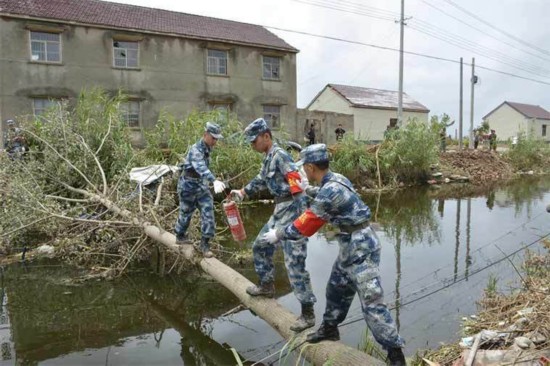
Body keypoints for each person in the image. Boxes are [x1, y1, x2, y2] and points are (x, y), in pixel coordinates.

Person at [261, 143, 406, 366]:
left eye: (303, 169)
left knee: (371, 302)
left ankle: (395, 354)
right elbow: (322, 195)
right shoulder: (336, 179)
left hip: (361, 248)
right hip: (351, 244)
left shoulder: (330, 190)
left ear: (310, 167)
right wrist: (307, 188)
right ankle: (330, 329)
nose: (301, 172)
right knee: (336, 288)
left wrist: (278, 234)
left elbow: (305, 225)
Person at [230, 118, 317, 332]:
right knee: (260, 245)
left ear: (266, 136)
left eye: (254, 140)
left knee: (294, 262)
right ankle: (267, 286)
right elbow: (261, 179)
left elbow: (296, 184)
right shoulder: (268, 158)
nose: (252, 145)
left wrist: (302, 221)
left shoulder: (281, 156)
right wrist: (242, 192)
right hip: (280, 210)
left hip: (292, 210)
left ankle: (308, 313)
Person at [174, 122, 226, 258]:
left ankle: (205, 244)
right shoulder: (195, 150)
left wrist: (214, 180)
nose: (215, 141)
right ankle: (180, 235)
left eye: (216, 139)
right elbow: (200, 167)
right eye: (213, 138)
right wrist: (214, 180)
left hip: (201, 187)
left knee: (208, 212)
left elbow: (203, 170)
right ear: (205, 135)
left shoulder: (207, 148)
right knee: (185, 213)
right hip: (188, 187)